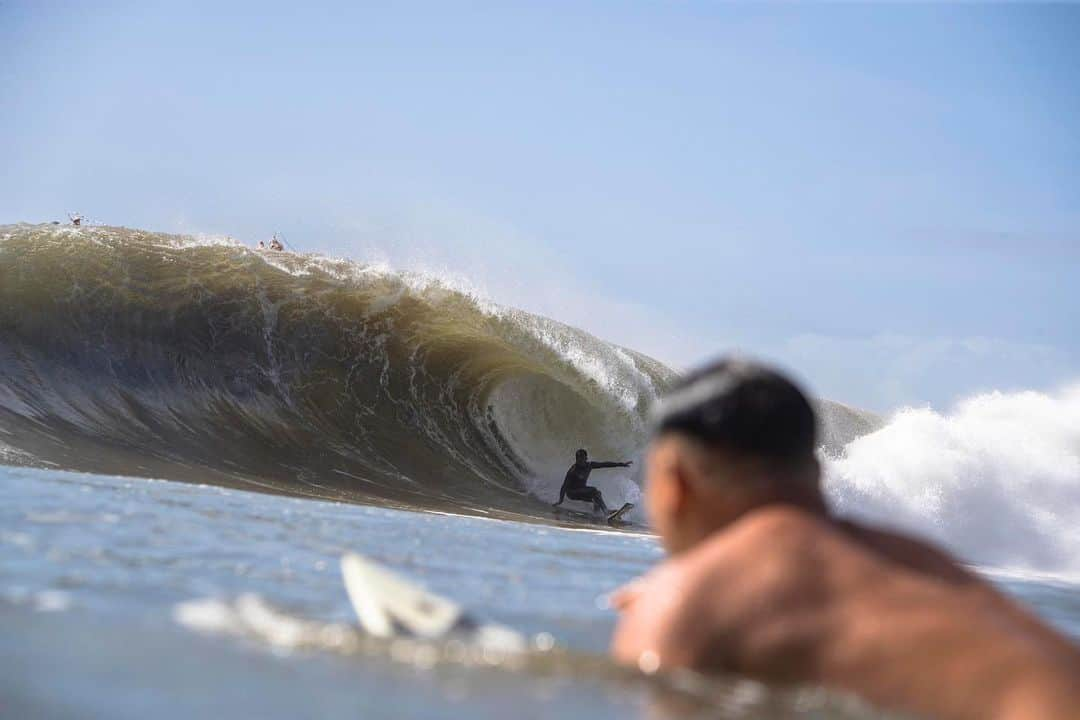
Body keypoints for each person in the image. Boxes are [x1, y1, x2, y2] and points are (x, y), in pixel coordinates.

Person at [610, 357, 1079, 720]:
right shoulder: (913, 557)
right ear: (814, 472)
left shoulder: (686, 603)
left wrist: (675, 608)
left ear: (675, 483)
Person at [554, 449, 632, 515]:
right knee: (593, 490)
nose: (579, 460)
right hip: (572, 493)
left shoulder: (590, 465)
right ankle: (606, 511)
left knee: (597, 495)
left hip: (582, 490)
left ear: (586, 458)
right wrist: (560, 500)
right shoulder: (573, 470)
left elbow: (604, 464)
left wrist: (621, 464)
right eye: (578, 458)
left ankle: (596, 514)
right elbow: (564, 486)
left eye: (582, 458)